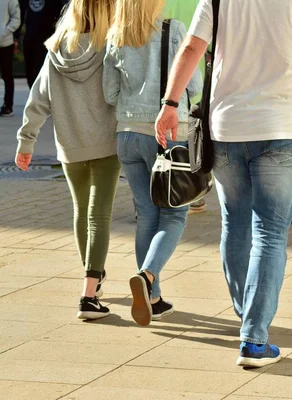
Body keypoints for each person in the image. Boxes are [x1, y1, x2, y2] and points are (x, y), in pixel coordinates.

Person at [156, 0, 292, 367]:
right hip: (278, 128)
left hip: (226, 127)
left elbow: (193, 47)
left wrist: (170, 103)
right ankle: (254, 338)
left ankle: (248, 314)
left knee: (236, 224)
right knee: (271, 232)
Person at [15, 0, 119, 320]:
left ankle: (94, 275)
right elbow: (119, 94)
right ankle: (89, 293)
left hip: (69, 145)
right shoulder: (110, 48)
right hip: (106, 143)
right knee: (98, 214)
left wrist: (26, 141)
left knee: (81, 210)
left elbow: (38, 99)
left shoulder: (56, 49)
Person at [104, 0, 202, 326]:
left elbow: (108, 92)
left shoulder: (115, 36)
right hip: (166, 134)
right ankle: (146, 277)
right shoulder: (172, 30)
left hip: (126, 135)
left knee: (145, 213)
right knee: (175, 213)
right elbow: (196, 84)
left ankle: (154, 299)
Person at [163, 0, 206, 214]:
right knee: (194, 137)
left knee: (161, 139)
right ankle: (193, 192)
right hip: (192, 78)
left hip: (160, 79)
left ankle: (159, 191)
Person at [16, 0, 69, 88]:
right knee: (29, 71)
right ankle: (34, 95)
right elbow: (20, 14)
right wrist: (16, 36)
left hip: (46, 39)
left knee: (39, 70)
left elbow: (61, 13)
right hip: (29, 38)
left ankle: (40, 97)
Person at [0, 0, 20, 117]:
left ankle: (8, 106)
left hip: (5, 43)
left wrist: (4, 32)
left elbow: (16, 18)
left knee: (7, 75)